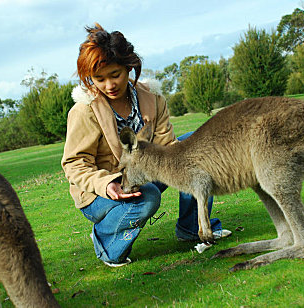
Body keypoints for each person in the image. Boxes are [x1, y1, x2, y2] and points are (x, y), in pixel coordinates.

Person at [61, 23, 231, 267]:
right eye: (99, 79)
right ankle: (107, 243)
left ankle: (193, 227)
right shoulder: (84, 110)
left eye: (115, 75)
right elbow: (74, 165)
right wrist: (107, 184)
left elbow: (168, 146)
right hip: (101, 191)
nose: (109, 85)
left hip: (145, 171)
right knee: (148, 197)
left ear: (128, 68)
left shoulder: (151, 97)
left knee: (193, 146)